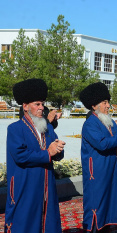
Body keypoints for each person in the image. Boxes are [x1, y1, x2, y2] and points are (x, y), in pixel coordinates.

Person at [5, 78, 65, 233]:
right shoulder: (15, 129)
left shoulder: (47, 128)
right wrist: (48, 153)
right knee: (25, 222)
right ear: (25, 106)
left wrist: (58, 150)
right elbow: (21, 156)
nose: (41, 108)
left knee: (48, 220)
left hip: (47, 186)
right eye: (37, 104)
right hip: (25, 186)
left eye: (42, 104)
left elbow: (56, 152)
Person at [80, 82, 117, 232]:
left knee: (110, 199)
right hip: (97, 172)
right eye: (104, 102)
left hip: (111, 168)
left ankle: (109, 225)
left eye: (107, 102)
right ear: (94, 105)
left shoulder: (108, 120)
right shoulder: (90, 124)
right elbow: (102, 144)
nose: (108, 105)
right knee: (97, 201)